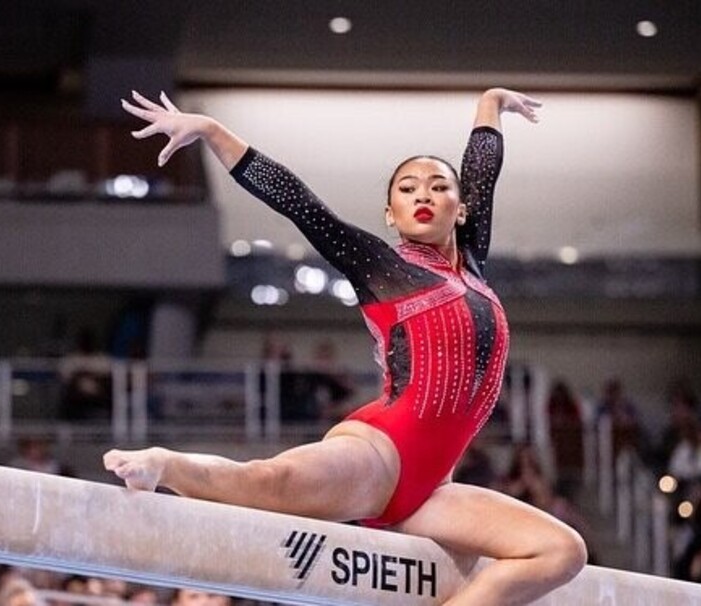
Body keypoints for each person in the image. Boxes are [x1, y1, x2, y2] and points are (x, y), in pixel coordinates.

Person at [104, 88, 586, 605]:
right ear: (390, 213)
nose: (422, 195)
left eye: (437, 186)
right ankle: (166, 464)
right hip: (378, 455)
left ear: (462, 207)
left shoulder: (472, 265)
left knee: (561, 551)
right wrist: (211, 131)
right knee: (269, 484)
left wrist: (490, 103)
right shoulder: (382, 266)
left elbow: (482, 170)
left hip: (434, 489)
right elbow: (299, 204)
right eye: (407, 189)